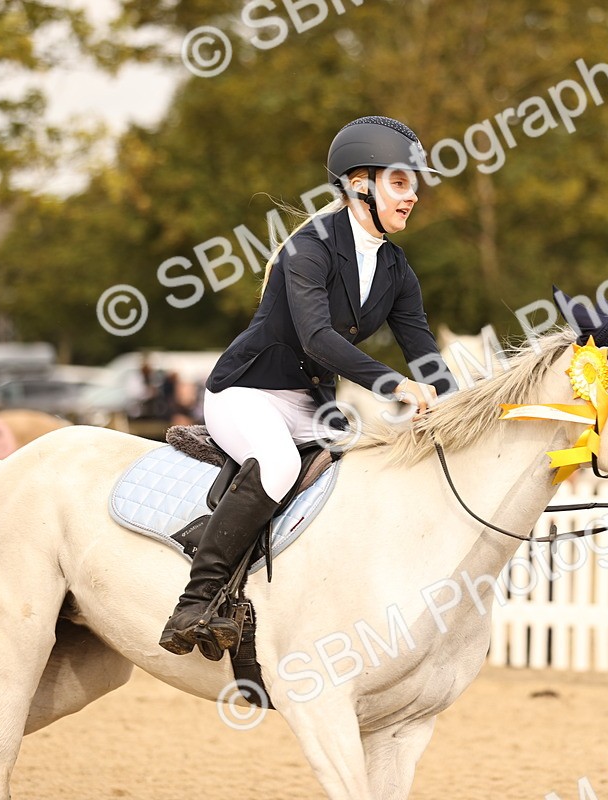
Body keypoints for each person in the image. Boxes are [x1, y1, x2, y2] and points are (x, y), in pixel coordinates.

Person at [159, 116, 454, 658]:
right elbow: (318, 339)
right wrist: (395, 385)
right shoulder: (310, 248)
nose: (412, 195)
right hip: (246, 392)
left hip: (310, 405)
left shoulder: (395, 267)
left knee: (362, 475)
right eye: (399, 182)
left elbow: (424, 350)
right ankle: (194, 603)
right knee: (277, 466)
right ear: (360, 184)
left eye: (414, 184)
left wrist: (462, 409)